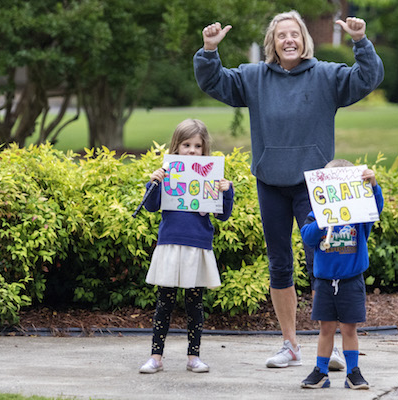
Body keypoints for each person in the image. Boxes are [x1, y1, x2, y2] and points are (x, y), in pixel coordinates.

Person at [194, 10, 384, 368]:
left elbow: (368, 77)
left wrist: (360, 41)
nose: (289, 40)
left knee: (322, 264)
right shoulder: (254, 78)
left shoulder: (326, 75)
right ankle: (290, 344)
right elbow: (214, 82)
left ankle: (332, 346)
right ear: (272, 43)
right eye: (281, 35)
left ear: (305, 40)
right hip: (271, 182)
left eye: (294, 34)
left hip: (315, 187)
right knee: (280, 265)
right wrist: (208, 50)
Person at [139, 119, 234, 374]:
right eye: (186, 145)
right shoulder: (167, 173)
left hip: (197, 246)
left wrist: (227, 191)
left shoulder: (213, 177)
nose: (192, 151)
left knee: (195, 305)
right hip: (171, 244)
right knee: (164, 303)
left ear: (204, 149)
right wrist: (154, 182)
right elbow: (151, 206)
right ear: (176, 147)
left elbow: (223, 215)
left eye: (197, 146)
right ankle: (156, 357)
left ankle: (194, 356)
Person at [299, 159, 384, 389]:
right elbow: (307, 237)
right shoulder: (316, 214)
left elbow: (375, 207)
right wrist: (323, 219)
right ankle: (321, 371)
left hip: (351, 280)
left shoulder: (359, 215)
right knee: (325, 328)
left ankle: (353, 372)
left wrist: (373, 186)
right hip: (325, 282)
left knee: (349, 328)